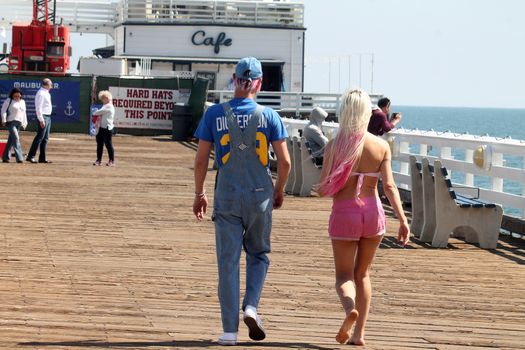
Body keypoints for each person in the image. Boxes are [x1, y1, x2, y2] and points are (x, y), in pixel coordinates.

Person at [192, 57, 291, 346]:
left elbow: (201, 160)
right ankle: (251, 306)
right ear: (259, 83)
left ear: (235, 80)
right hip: (260, 195)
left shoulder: (214, 115)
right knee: (258, 254)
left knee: (228, 262)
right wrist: (279, 190)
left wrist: (200, 193)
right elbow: (284, 161)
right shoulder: (270, 116)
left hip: (227, 196)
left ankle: (228, 332)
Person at [317, 89, 410, 346]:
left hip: (345, 213)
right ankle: (359, 335)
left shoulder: (335, 145)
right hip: (373, 214)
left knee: (344, 277)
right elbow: (390, 187)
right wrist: (403, 220)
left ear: (345, 111)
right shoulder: (381, 146)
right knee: (364, 275)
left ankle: (350, 311)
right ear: (367, 112)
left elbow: (325, 185)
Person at [26, 78, 53, 163]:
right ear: (45, 85)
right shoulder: (41, 93)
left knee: (45, 138)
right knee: (39, 137)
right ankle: (31, 156)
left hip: (48, 117)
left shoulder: (47, 93)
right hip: (43, 117)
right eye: (50, 84)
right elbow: (38, 108)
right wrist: (41, 119)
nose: (51, 86)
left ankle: (42, 158)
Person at [1, 88, 28, 163]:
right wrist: (4, 120)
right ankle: (19, 158)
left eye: (19, 96)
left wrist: (25, 123)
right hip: (10, 122)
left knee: (11, 140)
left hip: (19, 123)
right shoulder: (8, 100)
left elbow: (24, 113)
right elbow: (3, 110)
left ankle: (5, 157)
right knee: (16, 138)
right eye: (15, 96)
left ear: (21, 96)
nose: (17, 98)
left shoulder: (23, 102)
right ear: (12, 95)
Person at [92, 90, 116, 166]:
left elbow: (97, 112)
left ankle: (111, 161)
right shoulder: (105, 105)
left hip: (107, 128)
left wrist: (94, 112)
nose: (102, 100)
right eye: (102, 98)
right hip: (101, 128)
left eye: (103, 98)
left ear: (107, 98)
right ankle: (99, 160)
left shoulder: (109, 106)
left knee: (108, 145)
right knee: (100, 145)